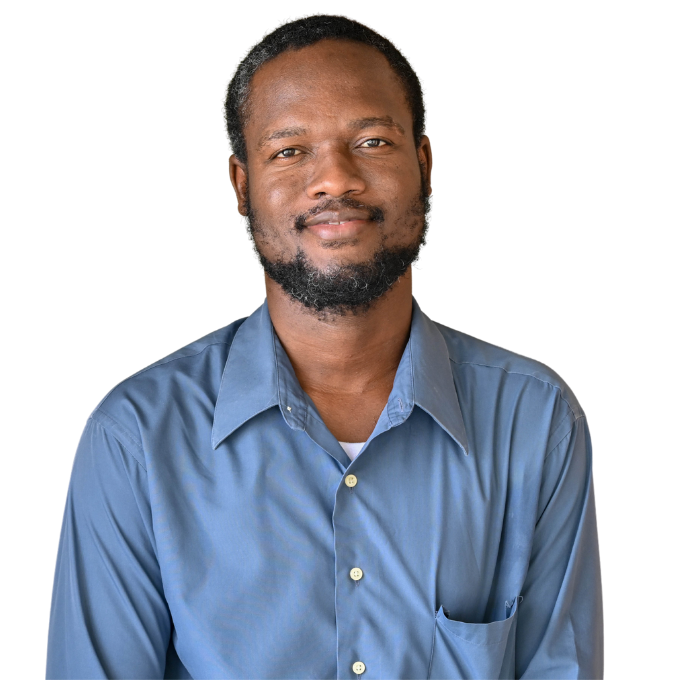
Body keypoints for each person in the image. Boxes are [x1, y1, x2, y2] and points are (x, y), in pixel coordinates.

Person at [46, 13, 604, 680]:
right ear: (241, 183)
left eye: (370, 141)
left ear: (424, 165)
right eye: (289, 150)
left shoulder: (536, 418)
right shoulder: (135, 436)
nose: (334, 179)